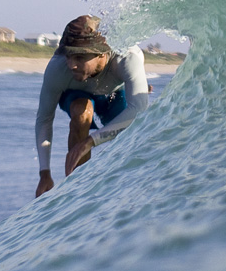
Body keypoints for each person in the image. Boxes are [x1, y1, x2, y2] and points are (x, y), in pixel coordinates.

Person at [34, 15, 149, 197]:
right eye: (68, 56)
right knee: (82, 110)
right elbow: (44, 119)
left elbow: (138, 109)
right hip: (76, 95)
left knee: (131, 131)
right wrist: (44, 173)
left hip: (114, 95)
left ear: (102, 53)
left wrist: (91, 141)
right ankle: (79, 188)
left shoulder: (127, 58)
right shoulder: (57, 68)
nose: (71, 65)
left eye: (79, 57)